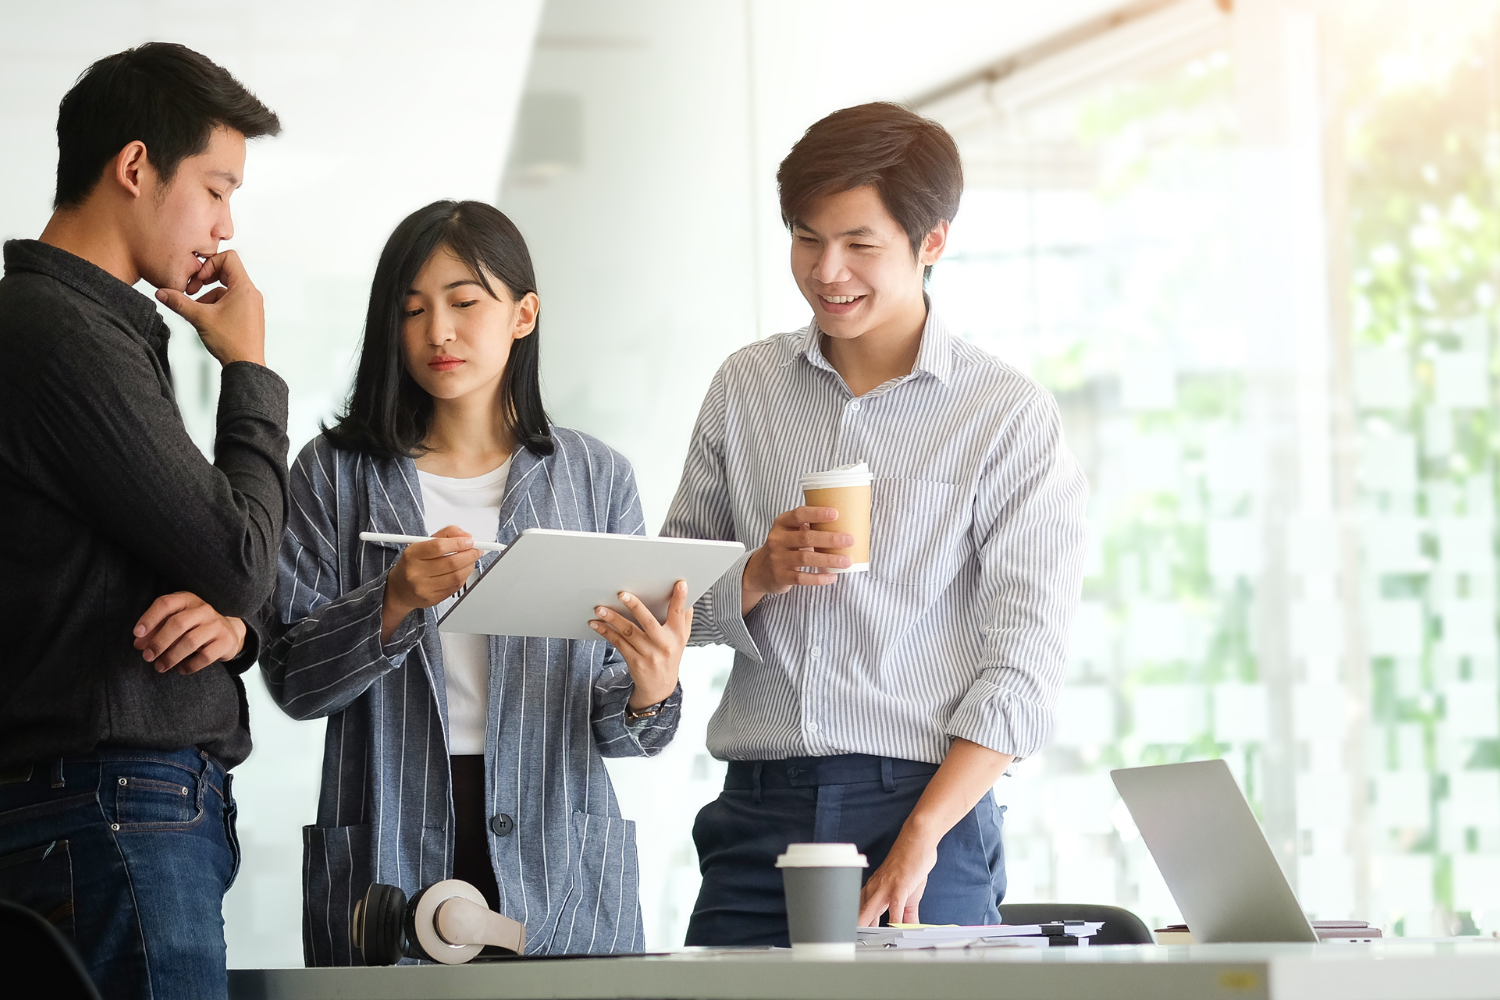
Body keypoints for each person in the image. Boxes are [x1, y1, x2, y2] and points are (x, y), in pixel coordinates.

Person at [662, 102, 1089, 945]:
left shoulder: (1005, 415)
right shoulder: (744, 389)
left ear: (932, 241)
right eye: (805, 237)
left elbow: (1025, 662)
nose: (827, 271)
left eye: (860, 244)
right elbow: (666, 598)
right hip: (758, 816)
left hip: (922, 808)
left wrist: (923, 837)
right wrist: (758, 572)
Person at [262, 199, 688, 964]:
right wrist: (391, 602)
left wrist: (651, 689)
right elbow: (294, 679)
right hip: (389, 838)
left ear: (523, 315)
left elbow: (625, 727)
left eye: (464, 303)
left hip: (557, 852)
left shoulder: (596, 479)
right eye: (413, 309)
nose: (438, 333)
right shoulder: (333, 473)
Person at [0, 43, 286, 1000]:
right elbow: (240, 555)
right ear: (134, 168)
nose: (226, 225)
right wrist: (248, 368)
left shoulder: (84, 329)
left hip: (108, 811)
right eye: (215, 187)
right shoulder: (60, 333)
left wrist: (233, 622)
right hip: (111, 811)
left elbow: (210, 574)